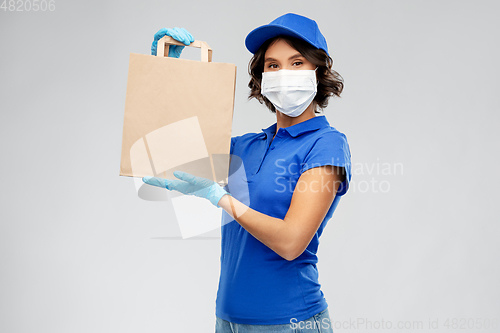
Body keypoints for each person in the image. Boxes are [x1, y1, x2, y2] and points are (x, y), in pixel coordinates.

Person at [144, 13, 352, 333]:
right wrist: (169, 73)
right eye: (273, 65)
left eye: (296, 62)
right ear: (261, 76)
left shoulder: (326, 145)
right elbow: (164, 152)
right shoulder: (245, 146)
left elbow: (291, 242)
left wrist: (220, 198)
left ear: (318, 71)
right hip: (228, 320)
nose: (284, 73)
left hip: (289, 323)